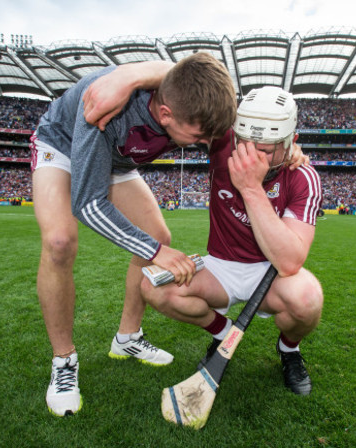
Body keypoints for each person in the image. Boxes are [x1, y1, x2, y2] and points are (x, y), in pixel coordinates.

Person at [85, 75, 324, 395]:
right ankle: (224, 334)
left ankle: (289, 351)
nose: (253, 156)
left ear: (289, 142)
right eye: (246, 144)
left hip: (269, 274)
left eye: (266, 150)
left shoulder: (302, 176)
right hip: (220, 265)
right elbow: (191, 85)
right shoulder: (223, 141)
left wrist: (251, 188)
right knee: (153, 286)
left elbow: (290, 262)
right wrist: (128, 81)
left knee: (308, 299)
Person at [31, 52, 237, 416]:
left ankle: (126, 339)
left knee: (159, 232)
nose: (205, 142)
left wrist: (288, 152)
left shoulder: (184, 100)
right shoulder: (105, 104)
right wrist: (157, 252)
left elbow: (176, 74)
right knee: (60, 241)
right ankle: (64, 360)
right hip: (64, 144)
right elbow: (88, 204)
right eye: (200, 135)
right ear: (165, 114)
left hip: (116, 159)